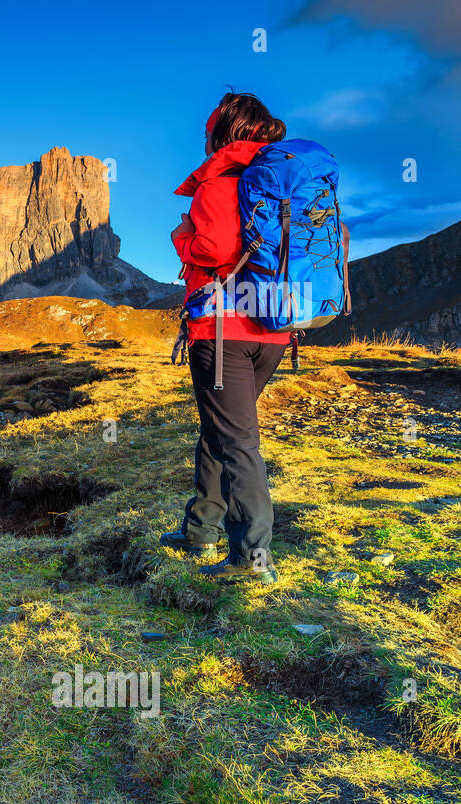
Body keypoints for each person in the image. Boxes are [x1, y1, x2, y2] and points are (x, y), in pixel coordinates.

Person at [161, 92, 291, 583]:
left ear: (221, 133)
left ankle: (251, 559)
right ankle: (201, 530)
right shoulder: (280, 180)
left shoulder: (221, 178)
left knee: (236, 440)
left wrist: (181, 236)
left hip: (222, 331)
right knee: (222, 429)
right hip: (273, 332)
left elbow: (212, 248)